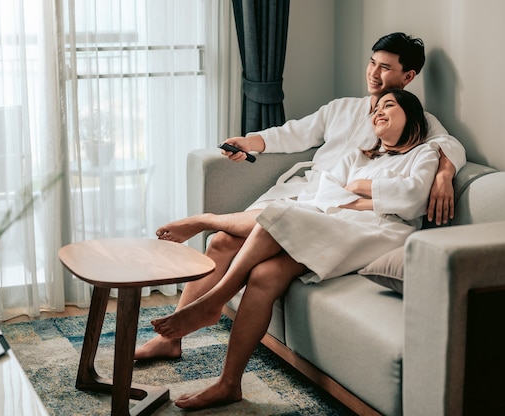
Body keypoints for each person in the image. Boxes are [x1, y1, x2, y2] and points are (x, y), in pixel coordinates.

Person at [151, 88, 440, 409]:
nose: (379, 112)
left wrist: (358, 190)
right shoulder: (359, 155)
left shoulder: (425, 154)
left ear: (412, 117)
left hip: (378, 234)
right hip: (333, 221)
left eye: (390, 106)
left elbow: (412, 200)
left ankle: (214, 294)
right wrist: (367, 200)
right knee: (264, 275)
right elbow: (326, 192)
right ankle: (229, 383)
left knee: (280, 215)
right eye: (376, 109)